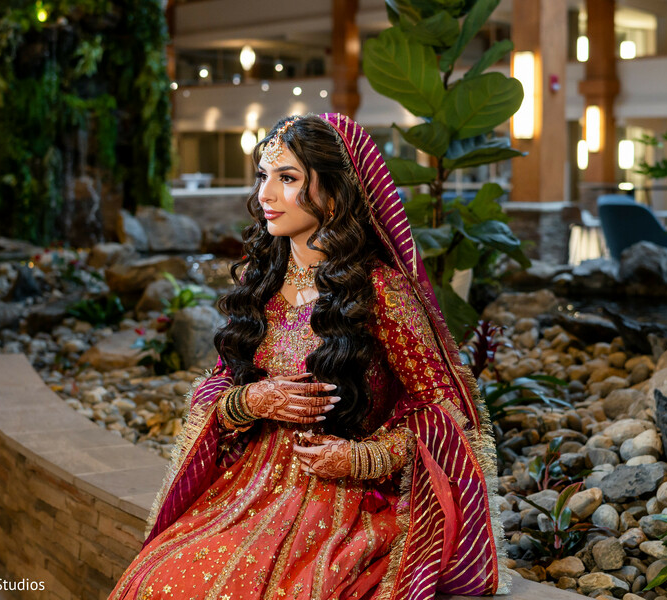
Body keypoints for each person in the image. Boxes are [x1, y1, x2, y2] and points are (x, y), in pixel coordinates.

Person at [108, 113, 507, 600]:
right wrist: (249, 401)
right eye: (264, 177)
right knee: (158, 577)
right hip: (246, 487)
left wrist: (362, 457)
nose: (266, 196)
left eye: (288, 178)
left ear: (335, 194)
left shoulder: (381, 291)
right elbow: (215, 387)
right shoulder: (261, 284)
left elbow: (449, 414)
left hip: (342, 500)